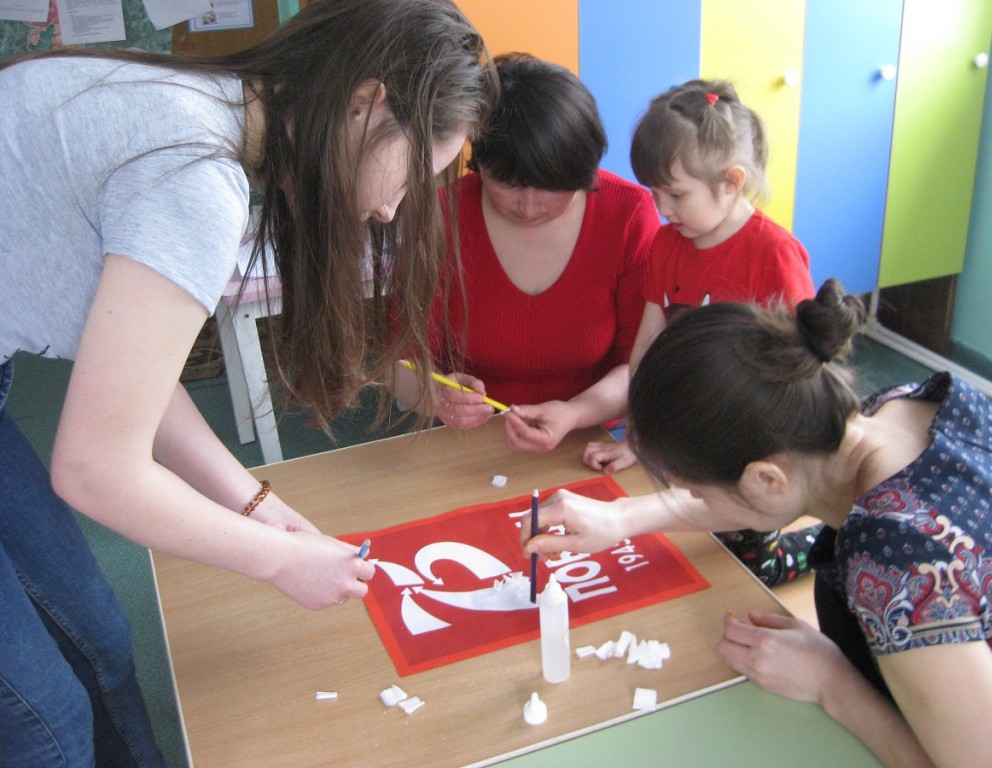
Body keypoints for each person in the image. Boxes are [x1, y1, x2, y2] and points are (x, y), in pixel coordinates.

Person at [0, 0, 497, 764]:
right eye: (409, 177)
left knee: (97, 640)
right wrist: (277, 560)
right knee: (44, 722)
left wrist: (259, 507)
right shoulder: (194, 178)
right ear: (366, 104)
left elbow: (130, 383)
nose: (389, 208)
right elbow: (95, 469)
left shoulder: (203, 105)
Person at [525, 280, 992, 766]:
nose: (694, 500)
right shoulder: (901, 406)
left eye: (698, 491)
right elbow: (759, 493)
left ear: (766, 479)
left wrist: (832, 682)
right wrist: (622, 516)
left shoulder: (898, 568)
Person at [582, 78, 819, 586]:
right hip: (688, 431)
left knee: (749, 566)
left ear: (732, 182)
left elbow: (803, 371)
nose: (662, 209)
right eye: (654, 192)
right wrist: (637, 435)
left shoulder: (774, 254)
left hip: (749, 438)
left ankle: (823, 543)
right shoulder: (667, 244)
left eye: (676, 194)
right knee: (673, 551)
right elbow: (648, 344)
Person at [391, 53, 661, 452]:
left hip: (591, 440)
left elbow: (641, 365)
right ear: (480, 164)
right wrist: (436, 395)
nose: (529, 207)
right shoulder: (441, 216)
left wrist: (574, 413)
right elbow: (401, 364)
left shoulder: (628, 215)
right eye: (507, 184)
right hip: (469, 443)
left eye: (552, 187)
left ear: (585, 172)